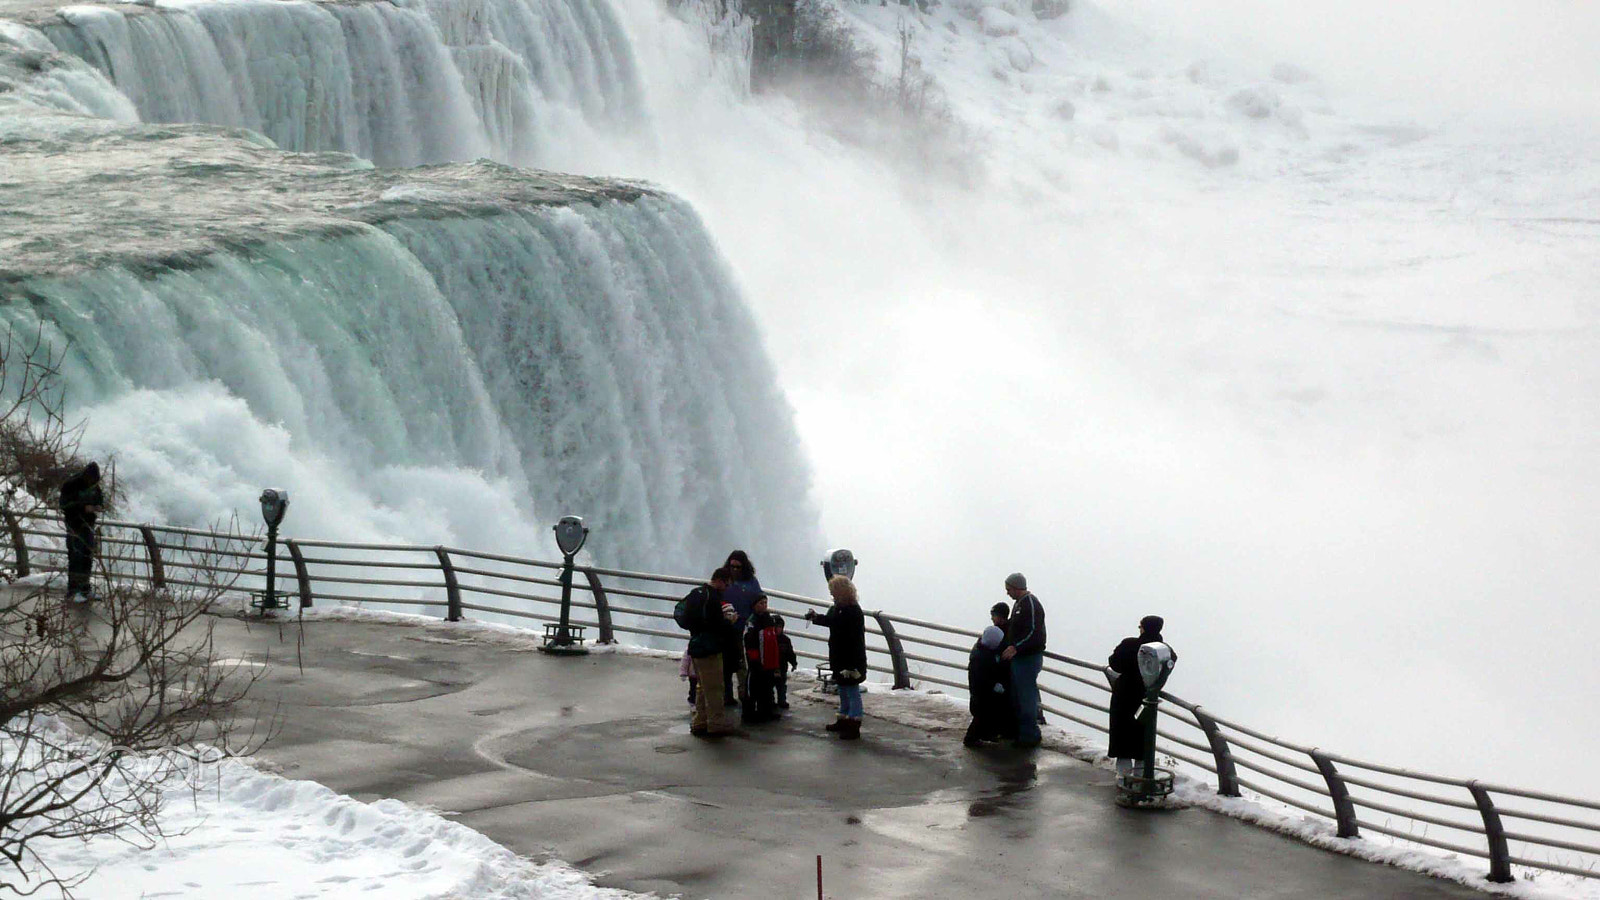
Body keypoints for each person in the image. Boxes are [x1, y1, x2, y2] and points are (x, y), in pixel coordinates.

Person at [1108, 615, 1174, 774]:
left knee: (1122, 737)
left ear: (1143, 628)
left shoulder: (1130, 644)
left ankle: (1123, 776)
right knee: (1142, 739)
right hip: (1147, 696)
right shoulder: (1165, 650)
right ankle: (1140, 776)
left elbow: (1114, 663)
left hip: (1124, 695)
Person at [805, 575, 867, 740]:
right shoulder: (839, 607)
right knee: (843, 689)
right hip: (839, 655)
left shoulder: (853, 611)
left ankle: (854, 723)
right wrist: (816, 617)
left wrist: (854, 665)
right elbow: (832, 621)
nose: (832, 595)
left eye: (833, 592)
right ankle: (844, 718)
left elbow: (853, 637)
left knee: (852, 690)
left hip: (851, 657)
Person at [683, 567, 740, 736]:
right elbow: (716, 626)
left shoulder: (696, 593)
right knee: (715, 688)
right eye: (727, 584)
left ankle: (700, 722)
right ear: (721, 580)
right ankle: (716, 724)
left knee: (702, 687)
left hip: (696, 646)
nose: (727, 588)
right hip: (710, 648)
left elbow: (687, 619)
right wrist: (730, 621)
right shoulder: (713, 599)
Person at [1000, 572, 1047, 747]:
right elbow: (1015, 625)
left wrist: (1016, 647)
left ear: (1017, 587)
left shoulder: (1031, 604)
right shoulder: (1019, 604)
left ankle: (1030, 735)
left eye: (1009, 589)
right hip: (1019, 658)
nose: (1007, 593)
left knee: (1026, 697)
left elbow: (1034, 633)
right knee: (1018, 696)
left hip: (1028, 658)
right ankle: (1021, 732)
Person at [721, 550, 763, 706]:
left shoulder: (751, 581)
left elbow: (759, 599)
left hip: (745, 628)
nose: (735, 570)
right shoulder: (725, 579)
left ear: (744, 567)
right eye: (732, 567)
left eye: (738, 567)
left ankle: (744, 694)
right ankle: (727, 695)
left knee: (742, 664)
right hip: (726, 629)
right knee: (726, 664)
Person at [964, 624, 1014, 747]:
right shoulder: (980, 658)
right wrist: (995, 685)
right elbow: (982, 678)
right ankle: (971, 738)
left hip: (984, 690)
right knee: (982, 714)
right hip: (981, 693)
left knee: (988, 713)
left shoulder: (984, 650)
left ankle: (987, 734)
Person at [60, 462, 104, 602]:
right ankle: (73, 591)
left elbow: (100, 500)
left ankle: (85, 589)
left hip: (89, 525)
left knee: (87, 557)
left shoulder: (95, 487)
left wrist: (98, 507)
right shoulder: (71, 485)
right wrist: (83, 507)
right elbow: (64, 504)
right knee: (76, 557)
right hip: (74, 525)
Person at [743, 595, 782, 723]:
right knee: (753, 686)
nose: (764, 606)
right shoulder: (752, 621)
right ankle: (749, 712)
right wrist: (754, 659)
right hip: (756, 659)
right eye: (761, 603)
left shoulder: (768, 619)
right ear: (754, 605)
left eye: (765, 603)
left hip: (768, 659)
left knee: (768, 686)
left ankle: (767, 710)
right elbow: (749, 641)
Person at [773, 615, 798, 709]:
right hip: (771, 667)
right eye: (775, 627)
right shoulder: (769, 638)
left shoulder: (785, 640)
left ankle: (781, 700)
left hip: (782, 666)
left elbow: (790, 653)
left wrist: (793, 662)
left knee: (781, 686)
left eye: (779, 627)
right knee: (770, 685)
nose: (777, 629)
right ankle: (771, 701)